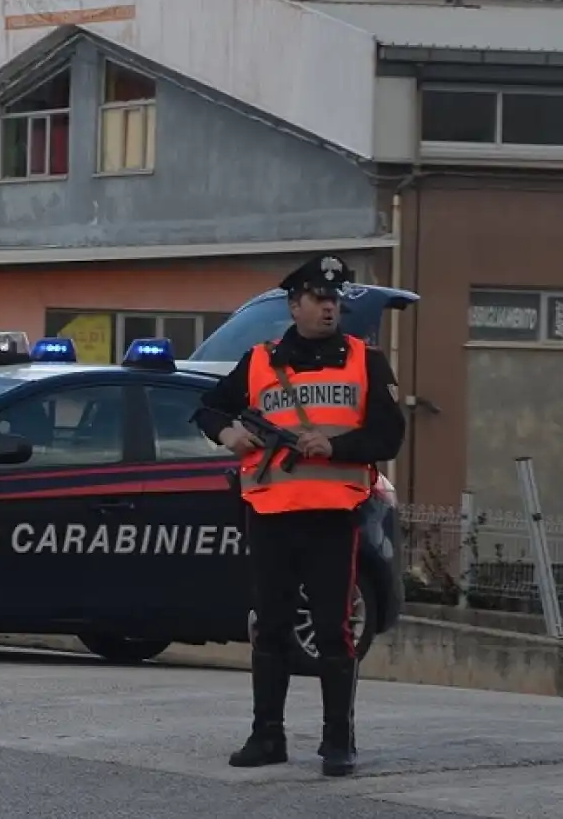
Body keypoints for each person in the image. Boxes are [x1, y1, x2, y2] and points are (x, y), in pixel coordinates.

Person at [192, 254, 405, 777]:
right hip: (271, 513)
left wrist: (334, 449)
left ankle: (338, 743)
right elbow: (208, 408)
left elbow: (389, 435)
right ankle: (268, 737)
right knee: (271, 629)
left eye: (335, 299)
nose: (330, 308)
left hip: (334, 516)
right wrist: (229, 435)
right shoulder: (260, 360)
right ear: (295, 305)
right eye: (319, 299)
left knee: (334, 631)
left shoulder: (366, 360)